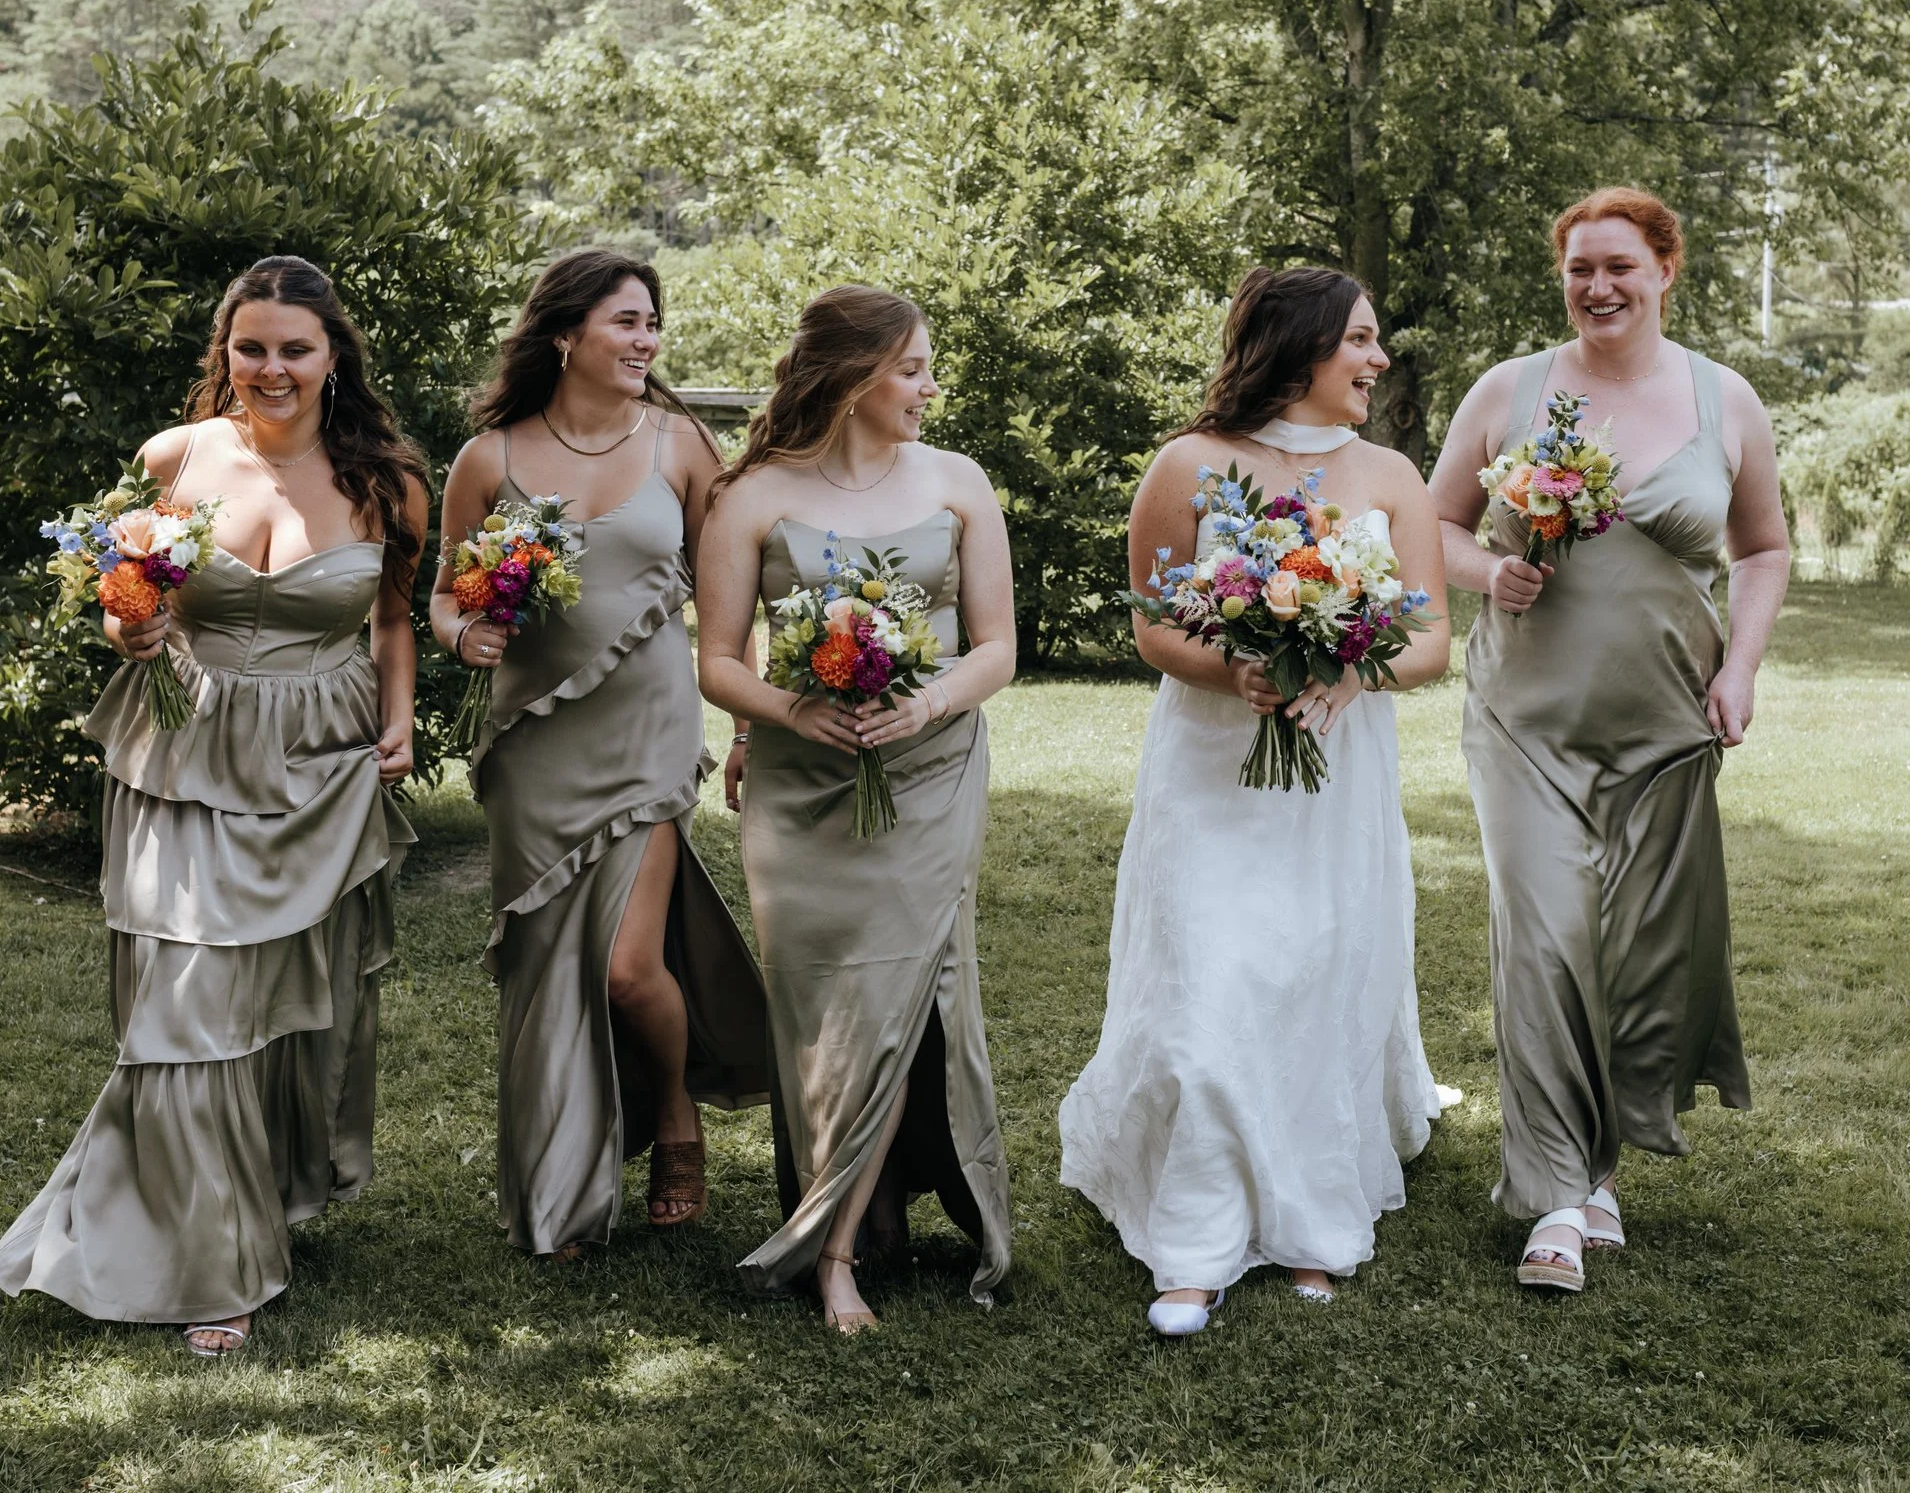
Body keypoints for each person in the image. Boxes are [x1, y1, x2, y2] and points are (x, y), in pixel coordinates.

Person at [0, 256, 425, 1356]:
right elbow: (130, 601)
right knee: (185, 1001)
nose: (270, 369)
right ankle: (209, 1261)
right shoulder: (172, 460)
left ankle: (258, 1195)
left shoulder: (388, 482)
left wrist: (403, 717)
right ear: (223, 350)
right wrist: (127, 631)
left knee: (281, 993)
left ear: (335, 356)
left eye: (294, 348)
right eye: (250, 346)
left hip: (319, 760)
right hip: (180, 742)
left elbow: (390, 622)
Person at [1058, 265, 1453, 1337]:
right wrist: (1228, 665)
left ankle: (1307, 1216)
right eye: (1361, 341)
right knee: (1208, 988)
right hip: (1208, 767)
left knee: (1310, 979)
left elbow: (1428, 642)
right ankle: (1195, 1233)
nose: (1377, 361)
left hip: (1335, 772)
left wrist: (1340, 673)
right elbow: (1151, 626)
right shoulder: (1185, 465)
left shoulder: (1388, 474)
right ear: (1302, 346)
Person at [1428, 187, 1790, 1291]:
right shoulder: (1509, 391)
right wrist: (1489, 569)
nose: (1597, 286)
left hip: (1665, 724)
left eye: (1620, 267)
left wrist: (1740, 665)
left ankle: (1596, 1170)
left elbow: (1763, 548)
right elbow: (1430, 523)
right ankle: (1548, 1199)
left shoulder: (1725, 401)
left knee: (1638, 959)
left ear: (1665, 271)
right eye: (1579, 267)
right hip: (1524, 719)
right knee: (1542, 945)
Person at [433, 249, 771, 1260]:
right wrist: (464, 635)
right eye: (625, 322)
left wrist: (748, 719)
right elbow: (445, 592)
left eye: (650, 323)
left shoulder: (681, 446)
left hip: (649, 726)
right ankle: (561, 1187)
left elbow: (729, 597)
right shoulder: (489, 459)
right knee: (546, 966)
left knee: (628, 970)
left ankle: (672, 1115)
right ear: (564, 334)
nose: (646, 340)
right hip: (534, 737)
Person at [696, 284, 1016, 1331]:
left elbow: (997, 649)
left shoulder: (959, 483)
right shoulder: (751, 498)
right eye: (913, 368)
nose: (929, 386)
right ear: (852, 375)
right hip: (802, 781)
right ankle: (854, 1203)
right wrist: (793, 707)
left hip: (930, 771)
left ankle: (831, 1253)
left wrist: (923, 705)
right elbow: (716, 662)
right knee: (822, 1003)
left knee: (900, 993)